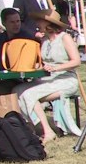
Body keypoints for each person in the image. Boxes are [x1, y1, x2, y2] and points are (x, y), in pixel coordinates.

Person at [15, 9, 80, 142]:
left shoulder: (64, 37)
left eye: (39, 21)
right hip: (48, 78)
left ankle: (48, 131)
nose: (37, 24)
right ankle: (33, 127)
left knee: (29, 94)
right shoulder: (44, 40)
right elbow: (44, 61)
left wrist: (57, 68)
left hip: (66, 79)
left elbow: (76, 61)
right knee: (17, 90)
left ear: (48, 23)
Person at [0, 8, 38, 77]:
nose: (16, 24)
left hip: (23, 77)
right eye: (12, 22)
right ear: (4, 23)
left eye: (18, 21)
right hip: (3, 76)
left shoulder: (27, 38)